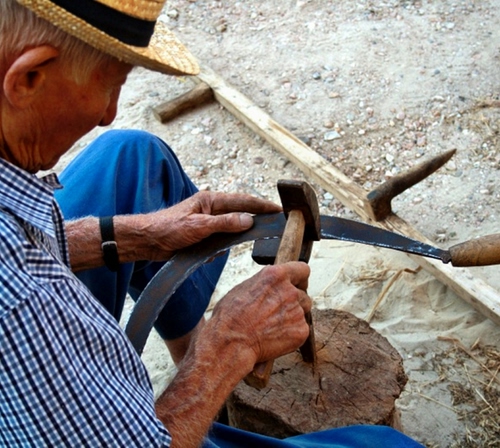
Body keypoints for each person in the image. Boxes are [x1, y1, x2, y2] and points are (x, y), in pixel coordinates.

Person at [0, 1, 425, 447]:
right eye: (111, 85)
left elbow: (19, 234)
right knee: (389, 445)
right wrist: (227, 349)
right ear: (28, 78)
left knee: (131, 157)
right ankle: (203, 394)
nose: (109, 113)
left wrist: (132, 236)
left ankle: (191, 355)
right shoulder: (21, 306)